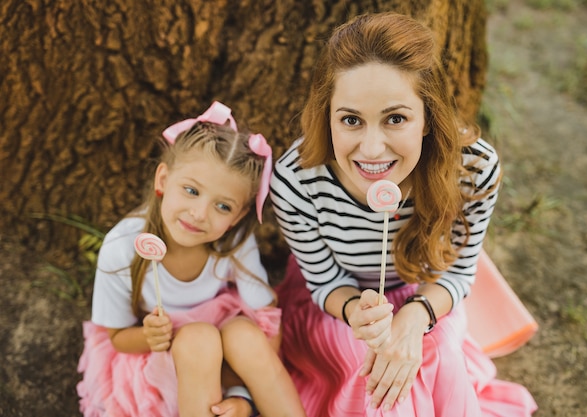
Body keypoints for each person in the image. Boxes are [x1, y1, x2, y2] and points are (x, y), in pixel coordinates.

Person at [270, 12, 538, 417]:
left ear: (427, 117)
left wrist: (415, 317)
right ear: (328, 116)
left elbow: (461, 271)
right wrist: (357, 314)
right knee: (376, 377)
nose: (372, 148)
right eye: (351, 120)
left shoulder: (473, 170)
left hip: (425, 292)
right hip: (341, 306)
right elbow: (324, 282)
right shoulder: (297, 179)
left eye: (395, 118)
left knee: (441, 355)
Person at [77, 101, 306, 417]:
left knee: (243, 334)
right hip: (160, 360)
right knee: (199, 338)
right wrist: (149, 335)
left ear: (239, 216)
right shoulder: (122, 247)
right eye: (191, 190)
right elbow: (117, 338)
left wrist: (242, 396)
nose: (199, 214)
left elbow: (266, 321)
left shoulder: (234, 241)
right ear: (162, 180)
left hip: (226, 361)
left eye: (223, 207)